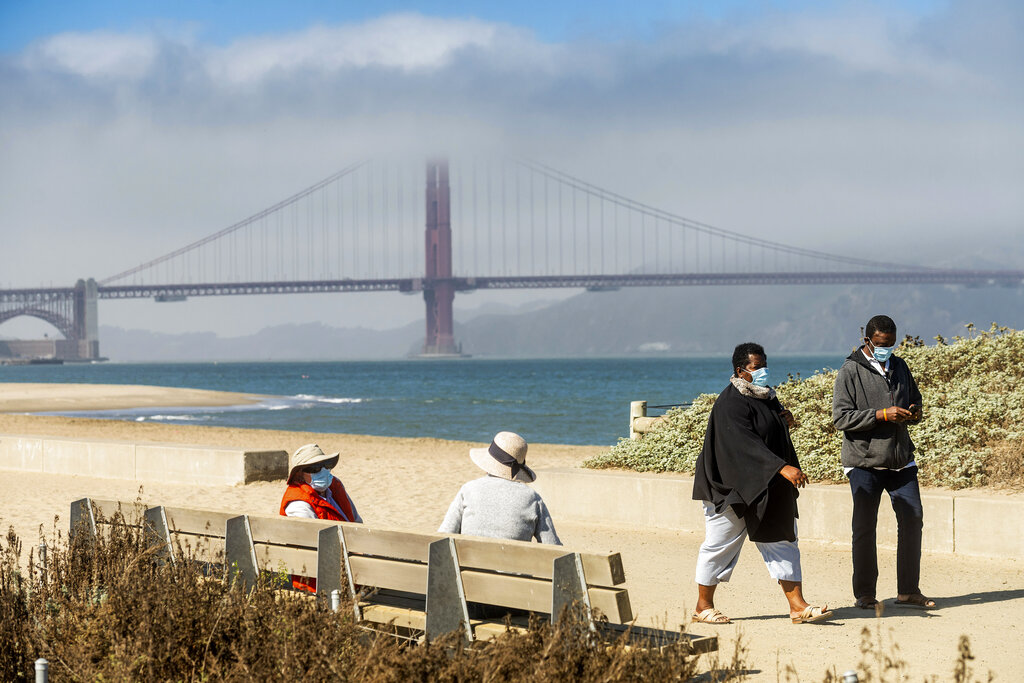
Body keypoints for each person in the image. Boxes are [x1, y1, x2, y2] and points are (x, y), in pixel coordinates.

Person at [691, 342, 832, 625]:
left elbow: (767, 430)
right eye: (757, 367)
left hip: (766, 486)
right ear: (740, 371)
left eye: (764, 365)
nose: (763, 371)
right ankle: (702, 606)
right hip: (730, 489)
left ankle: (797, 607)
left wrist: (785, 421)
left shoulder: (766, 397)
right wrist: (781, 467)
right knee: (720, 545)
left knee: (782, 541)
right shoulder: (730, 403)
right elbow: (743, 444)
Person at [832, 314, 934, 610]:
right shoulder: (849, 371)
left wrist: (914, 411)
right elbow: (841, 418)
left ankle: (908, 591)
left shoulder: (900, 365)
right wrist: (881, 415)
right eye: (880, 344)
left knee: (913, 520)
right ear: (867, 340)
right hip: (863, 463)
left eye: (890, 344)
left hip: (901, 460)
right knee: (865, 527)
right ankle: (864, 593)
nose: (886, 349)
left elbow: (916, 399)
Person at [438, 431, 561, 545]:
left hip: (468, 567)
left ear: (488, 463)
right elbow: (552, 545)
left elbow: (444, 535)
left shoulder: (468, 489)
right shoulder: (532, 497)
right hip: (514, 568)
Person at [280, 443, 361, 592]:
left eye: (325, 465)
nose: (323, 470)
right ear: (299, 475)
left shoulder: (334, 487)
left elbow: (357, 522)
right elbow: (313, 547)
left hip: (351, 570)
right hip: (319, 582)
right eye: (315, 468)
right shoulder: (298, 504)